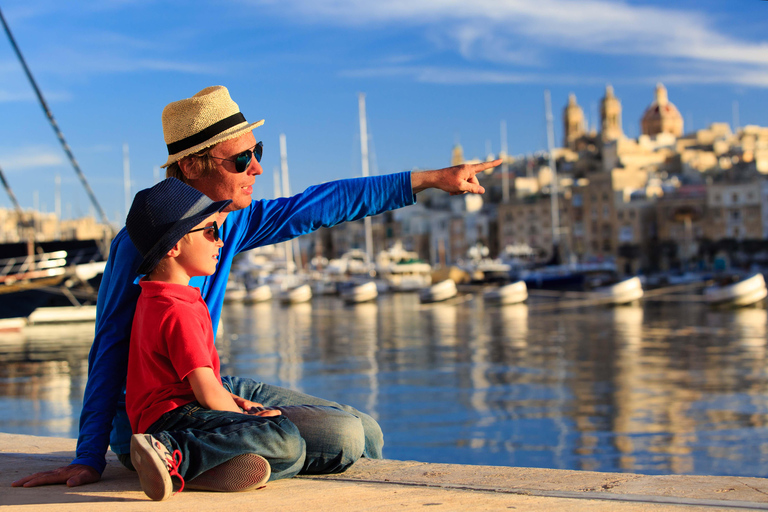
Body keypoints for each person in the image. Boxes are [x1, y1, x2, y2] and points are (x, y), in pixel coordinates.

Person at [12, 85, 501, 489]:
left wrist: (431, 178)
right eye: (242, 158)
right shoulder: (141, 246)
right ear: (192, 166)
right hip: (159, 420)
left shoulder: (234, 222)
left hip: (209, 390)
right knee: (344, 439)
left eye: (257, 152)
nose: (257, 168)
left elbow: (324, 204)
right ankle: (186, 458)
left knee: (366, 431)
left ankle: (224, 462)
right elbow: (109, 349)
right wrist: (88, 457)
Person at [126, 178, 289, 500]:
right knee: (284, 435)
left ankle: (189, 469)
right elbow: (206, 389)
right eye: (211, 231)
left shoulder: (155, 297)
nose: (220, 241)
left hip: (165, 416)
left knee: (287, 451)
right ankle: (171, 451)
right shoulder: (177, 308)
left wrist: (237, 402)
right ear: (173, 246)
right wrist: (246, 420)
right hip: (175, 420)